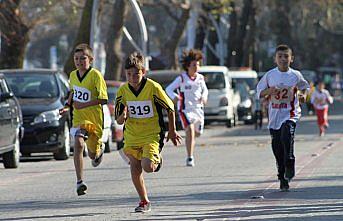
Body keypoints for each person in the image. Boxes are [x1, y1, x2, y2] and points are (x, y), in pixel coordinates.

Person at [115, 52, 182, 213]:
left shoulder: (153, 87)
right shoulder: (123, 91)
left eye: (136, 74)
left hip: (152, 134)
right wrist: (122, 116)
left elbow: (170, 109)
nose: (132, 77)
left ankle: (156, 160)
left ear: (143, 72)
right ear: (125, 74)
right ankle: (144, 201)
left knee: (148, 167)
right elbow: (118, 120)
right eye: (129, 74)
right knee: (134, 167)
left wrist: (172, 131)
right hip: (132, 135)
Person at [256, 44, 309, 191]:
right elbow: (259, 91)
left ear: (291, 59)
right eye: (280, 56)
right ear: (275, 59)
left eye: (286, 56)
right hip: (274, 116)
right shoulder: (270, 75)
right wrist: (269, 91)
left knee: (287, 134)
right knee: (277, 149)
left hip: (290, 113)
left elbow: (305, 86)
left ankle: (290, 162)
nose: (283, 59)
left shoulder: (295, 75)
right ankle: (282, 176)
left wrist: (303, 95)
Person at [59, 43, 108, 196]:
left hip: (94, 120)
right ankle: (80, 182)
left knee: (92, 155)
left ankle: (98, 151)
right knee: (79, 143)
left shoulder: (96, 76)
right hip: (79, 119)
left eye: (83, 58)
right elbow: (73, 93)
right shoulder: (73, 75)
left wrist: (85, 104)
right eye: (76, 59)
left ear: (91, 59)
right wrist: (67, 106)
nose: (79, 61)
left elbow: (103, 99)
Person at [166, 49, 208, 167]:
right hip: (185, 110)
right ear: (188, 66)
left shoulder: (200, 78)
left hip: (198, 110)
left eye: (198, 65)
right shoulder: (182, 78)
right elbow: (168, 89)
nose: (196, 67)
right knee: (189, 130)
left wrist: (204, 97)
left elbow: (205, 90)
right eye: (194, 65)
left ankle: (191, 139)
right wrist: (175, 97)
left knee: (197, 133)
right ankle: (190, 157)